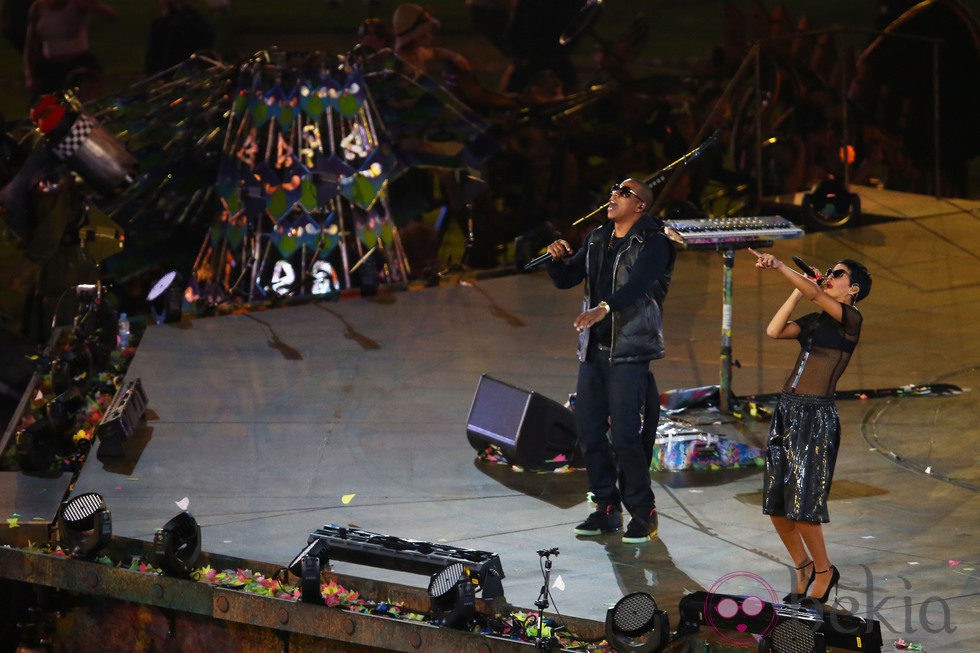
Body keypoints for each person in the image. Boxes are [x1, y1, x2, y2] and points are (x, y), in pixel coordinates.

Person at [545, 177, 675, 543]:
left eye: (623, 192)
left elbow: (638, 286)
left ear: (640, 206)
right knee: (588, 432)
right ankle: (605, 507)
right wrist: (556, 261)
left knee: (625, 437)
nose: (613, 195)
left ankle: (643, 511)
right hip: (593, 350)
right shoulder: (599, 236)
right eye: (613, 189)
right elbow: (568, 277)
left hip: (629, 352)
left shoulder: (655, 242)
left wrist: (604, 308)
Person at [747, 247, 872, 605]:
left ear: (854, 290)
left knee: (803, 508)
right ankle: (802, 566)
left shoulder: (852, 320)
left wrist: (783, 266)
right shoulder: (816, 321)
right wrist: (796, 289)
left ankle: (823, 570)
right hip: (787, 411)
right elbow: (775, 330)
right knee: (776, 505)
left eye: (839, 275)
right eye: (829, 272)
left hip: (816, 419)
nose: (830, 278)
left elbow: (817, 292)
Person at [23, 0, 118, 101]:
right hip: (50, 67)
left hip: (78, 64)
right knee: (47, 110)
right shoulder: (38, 7)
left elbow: (111, 16)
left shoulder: (76, 4)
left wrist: (90, 6)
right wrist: (30, 74)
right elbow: (31, 43)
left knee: (82, 106)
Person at [144, 0, 215, 75]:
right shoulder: (199, 21)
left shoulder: (163, 25)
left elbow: (154, 61)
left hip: (171, 76)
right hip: (193, 72)